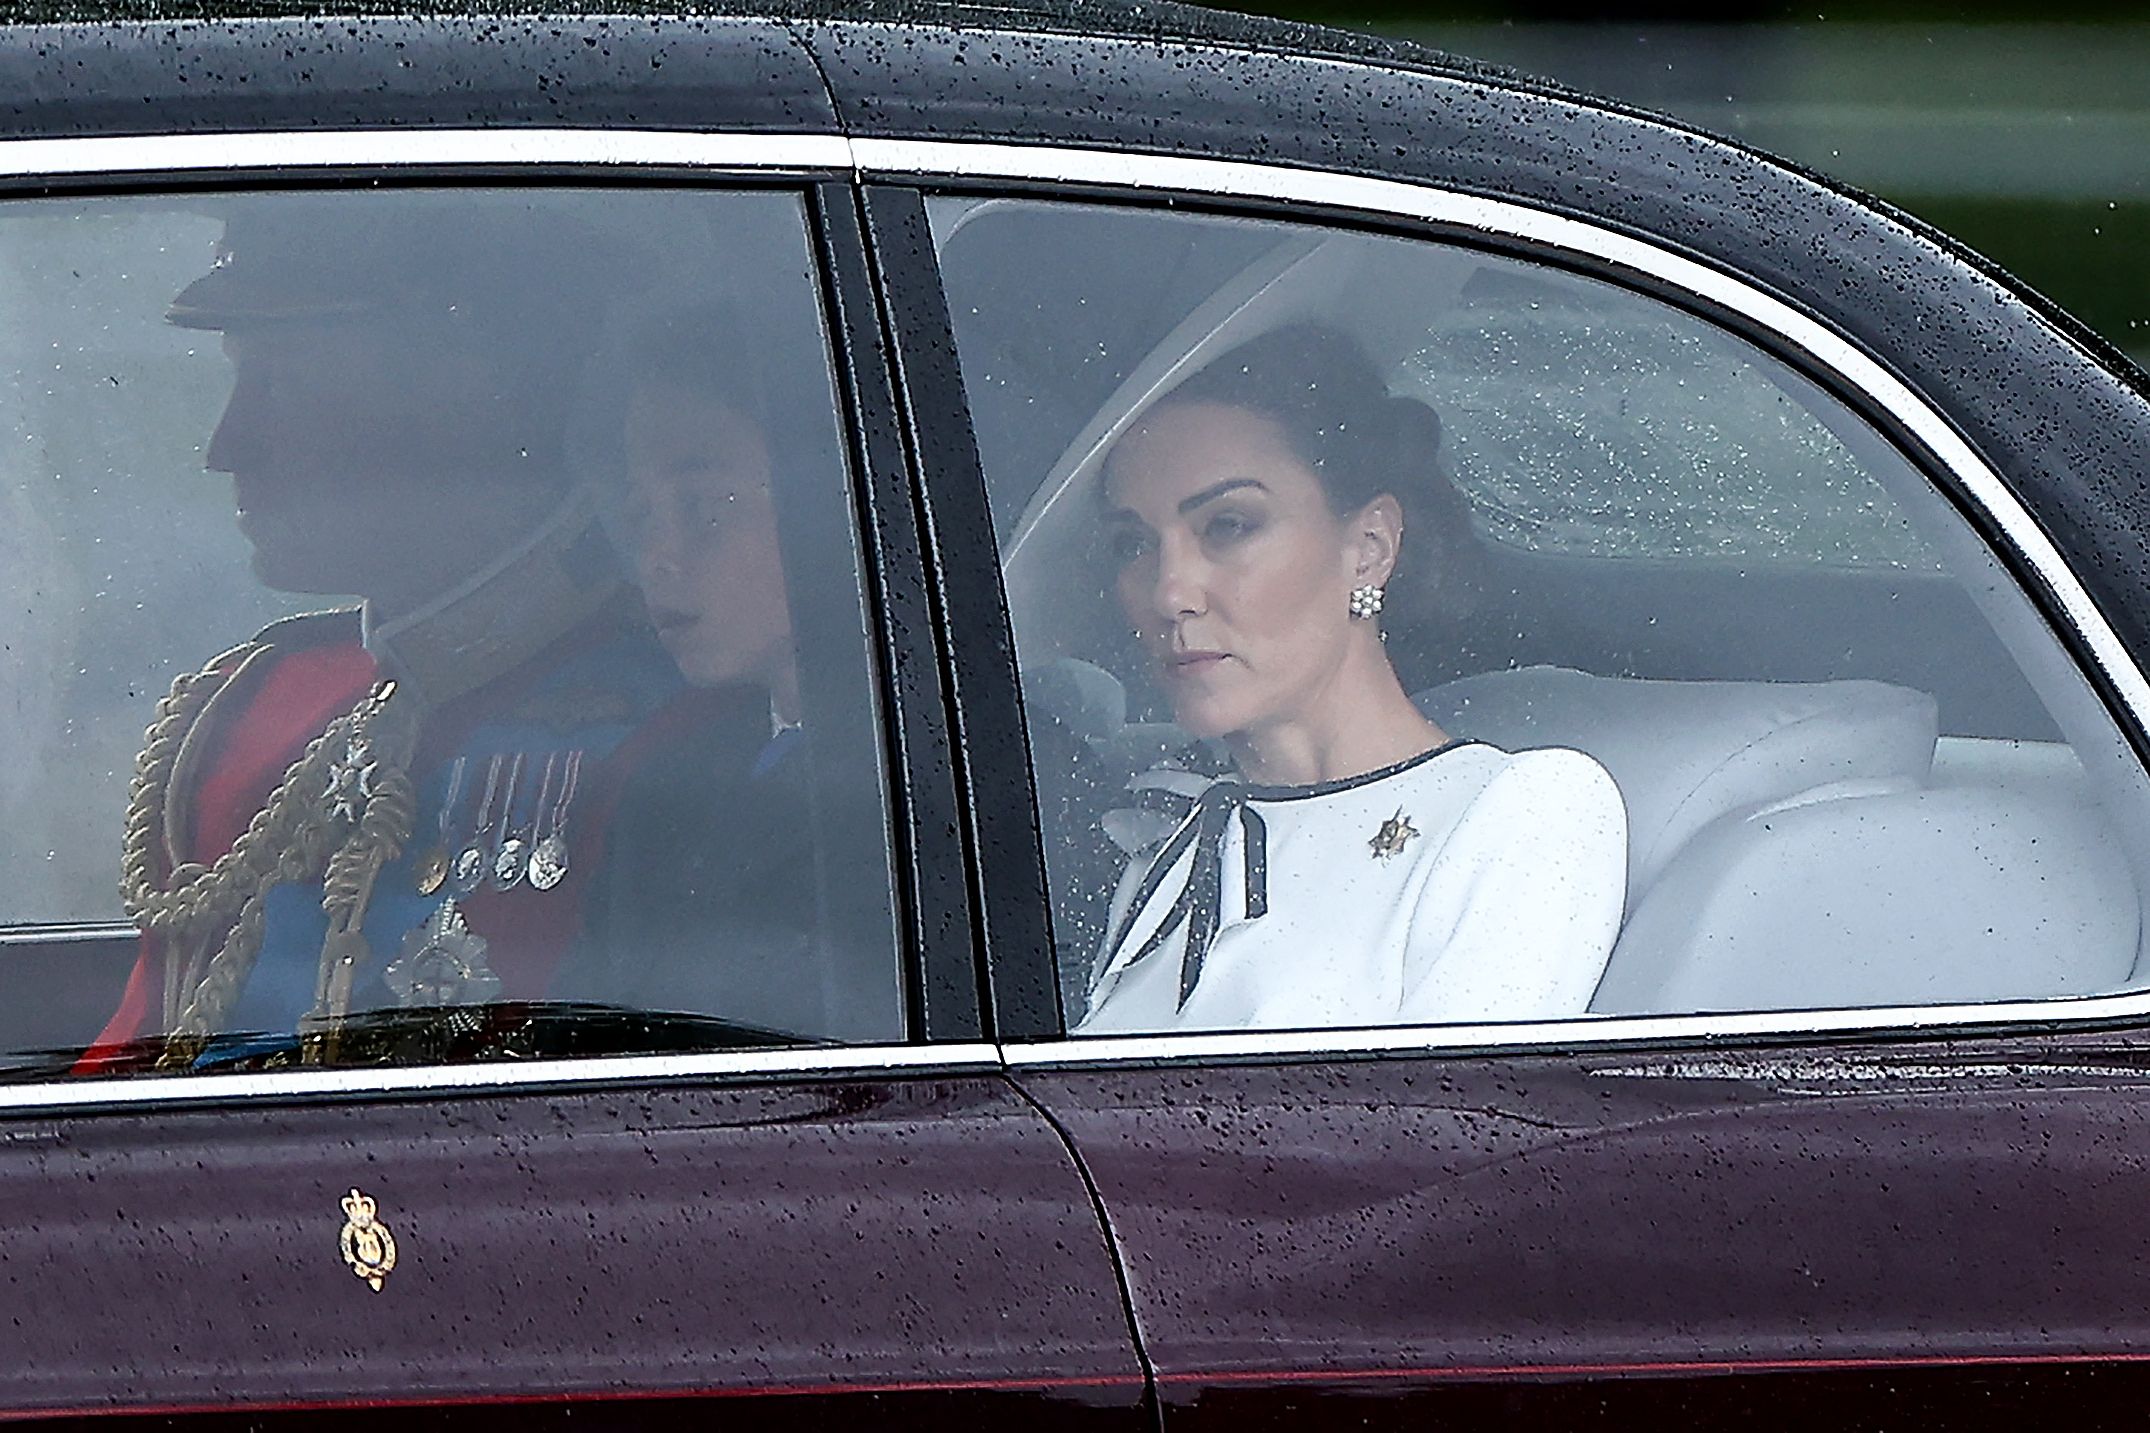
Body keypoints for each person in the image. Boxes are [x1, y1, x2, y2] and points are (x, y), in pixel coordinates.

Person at [76, 196, 692, 1073]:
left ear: (466, 401)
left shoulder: (672, 741)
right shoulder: (260, 712)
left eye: (282, 384)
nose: (227, 445)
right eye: (239, 378)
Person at [1077, 324, 1628, 1034]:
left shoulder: (1520, 814)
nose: (1170, 590)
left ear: (1368, 548)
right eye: (1133, 543)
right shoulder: (1177, 831)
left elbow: (1453, 1136)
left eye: (1229, 525)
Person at [554, 308, 842, 1038]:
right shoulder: (665, 787)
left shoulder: (989, 774)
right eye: (642, 512)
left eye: (707, 508)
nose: (659, 555)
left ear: (833, 499)